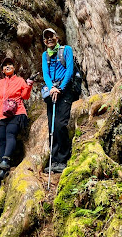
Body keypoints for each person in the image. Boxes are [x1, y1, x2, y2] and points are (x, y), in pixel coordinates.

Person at [0, 57, 34, 180]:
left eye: (10, 64)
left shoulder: (20, 80)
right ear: (2, 70)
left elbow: (25, 96)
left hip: (17, 112)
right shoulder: (0, 83)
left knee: (10, 134)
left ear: (14, 68)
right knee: (2, 138)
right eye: (5, 65)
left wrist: (28, 85)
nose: (8, 66)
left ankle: (5, 161)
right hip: (1, 114)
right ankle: (2, 169)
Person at [41, 27, 74, 174]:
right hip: (52, 91)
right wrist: (51, 88)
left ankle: (63, 159)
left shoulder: (66, 50)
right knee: (52, 126)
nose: (49, 39)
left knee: (61, 124)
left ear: (57, 37)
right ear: (44, 41)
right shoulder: (45, 55)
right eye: (46, 37)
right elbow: (45, 73)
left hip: (64, 91)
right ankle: (53, 160)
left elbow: (70, 70)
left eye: (51, 36)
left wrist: (60, 88)